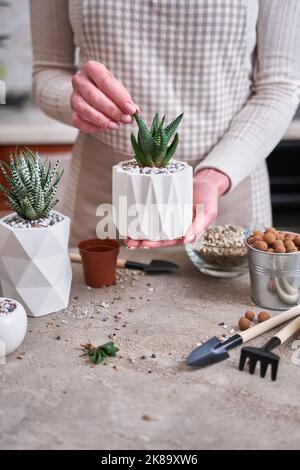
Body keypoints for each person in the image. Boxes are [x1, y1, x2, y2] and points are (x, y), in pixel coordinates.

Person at [30, 0, 300, 248]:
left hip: (227, 191)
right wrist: (76, 100)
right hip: (104, 200)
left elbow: (280, 86)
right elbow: (47, 70)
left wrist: (214, 177)